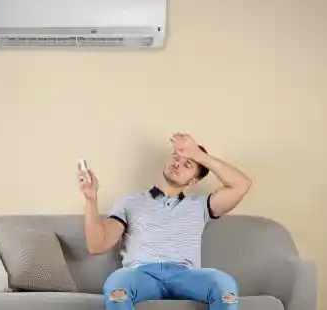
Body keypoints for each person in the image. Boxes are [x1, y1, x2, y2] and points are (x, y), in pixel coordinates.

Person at [77, 133, 252, 310]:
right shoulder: (130, 201)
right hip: (140, 274)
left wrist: (198, 154)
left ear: (193, 180)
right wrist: (91, 200)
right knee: (117, 286)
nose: (177, 164)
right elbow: (97, 245)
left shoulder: (202, 205)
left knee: (224, 284)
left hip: (186, 275)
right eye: (176, 158)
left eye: (187, 164)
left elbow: (241, 184)